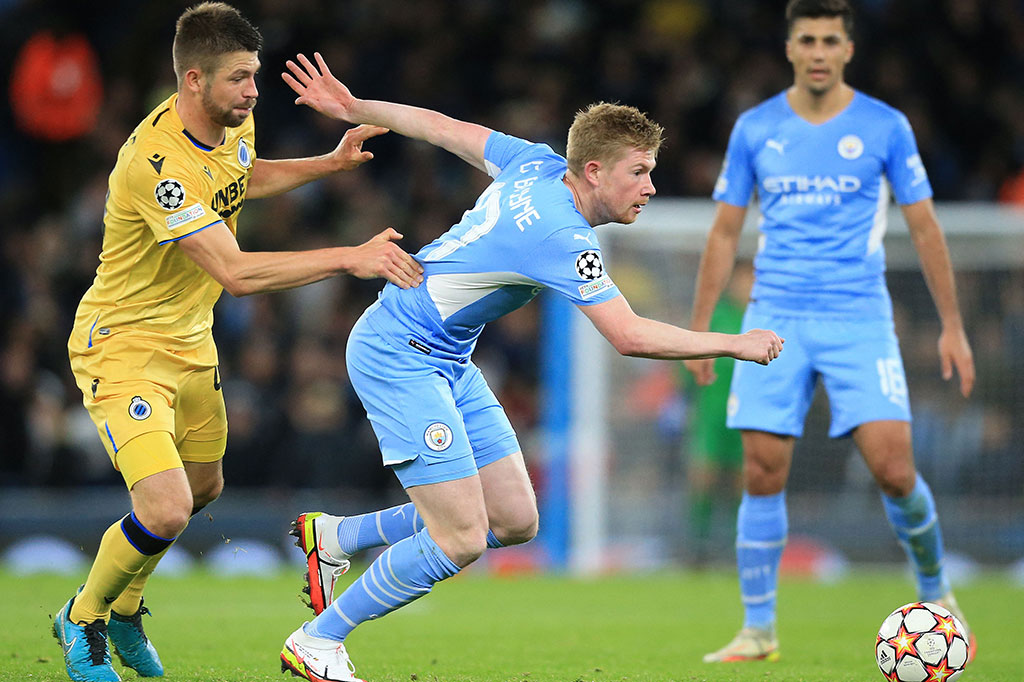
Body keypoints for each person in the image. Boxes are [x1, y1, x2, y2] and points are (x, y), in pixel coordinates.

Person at [275, 52, 784, 682]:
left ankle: (340, 538)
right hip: (398, 352)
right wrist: (733, 343)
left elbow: (438, 126)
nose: (651, 186)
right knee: (460, 537)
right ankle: (318, 640)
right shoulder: (562, 236)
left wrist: (356, 108)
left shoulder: (536, 162)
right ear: (594, 171)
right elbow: (627, 336)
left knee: (514, 519)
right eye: (641, 172)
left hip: (447, 357)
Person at [53, 4, 423, 682]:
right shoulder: (154, 165)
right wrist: (348, 256)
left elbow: (237, 180)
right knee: (162, 508)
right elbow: (236, 273)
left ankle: (128, 602)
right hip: (125, 345)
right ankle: (82, 618)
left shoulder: (233, 123)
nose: (254, 92)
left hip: (191, 341)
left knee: (203, 490)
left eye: (254, 77)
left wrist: (327, 164)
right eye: (240, 80)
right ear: (193, 80)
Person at [684, 0, 976, 664]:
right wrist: (702, 332)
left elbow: (925, 227)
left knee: (894, 468)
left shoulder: (885, 126)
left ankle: (936, 589)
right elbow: (725, 231)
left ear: (848, 49)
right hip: (774, 317)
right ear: (790, 49)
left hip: (858, 317)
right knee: (761, 470)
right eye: (807, 39)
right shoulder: (756, 128)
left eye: (830, 40)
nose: (818, 51)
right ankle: (758, 630)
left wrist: (953, 326)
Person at [678, 263, 752, 567]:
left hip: (749, 418)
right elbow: (686, 367)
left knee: (743, 483)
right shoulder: (714, 318)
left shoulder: (762, 321)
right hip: (711, 417)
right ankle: (697, 548)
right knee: (702, 480)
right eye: (743, 280)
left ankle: (740, 549)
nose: (747, 286)